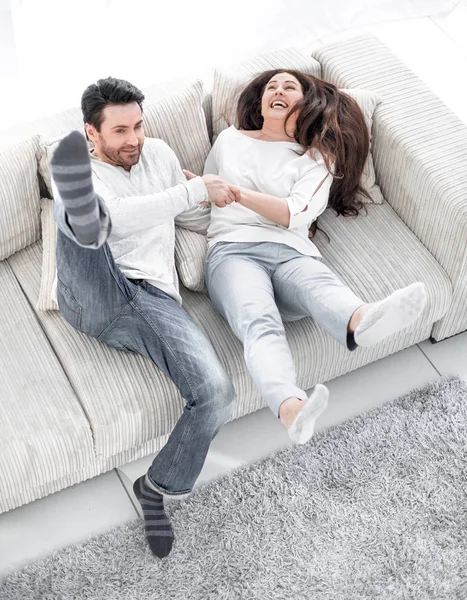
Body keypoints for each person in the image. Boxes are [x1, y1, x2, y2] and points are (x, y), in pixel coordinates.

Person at [50, 77, 238, 559]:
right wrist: (194, 189)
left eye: (137, 125)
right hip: (93, 291)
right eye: (119, 131)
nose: (133, 138)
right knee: (87, 221)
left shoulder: (158, 153)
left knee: (216, 392)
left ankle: (155, 488)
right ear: (91, 135)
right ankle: (84, 217)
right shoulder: (86, 171)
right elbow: (139, 212)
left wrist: (227, 206)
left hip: (152, 298)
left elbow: (183, 212)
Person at [189, 69, 427, 446]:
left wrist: (235, 193)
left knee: (318, 284)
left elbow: (295, 213)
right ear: (260, 101)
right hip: (233, 251)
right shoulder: (229, 140)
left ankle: (361, 321)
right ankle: (292, 410)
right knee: (258, 321)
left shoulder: (317, 158)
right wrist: (193, 192)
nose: (278, 91)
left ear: (305, 102)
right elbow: (206, 196)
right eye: (271, 87)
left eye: (289, 87)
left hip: (290, 251)